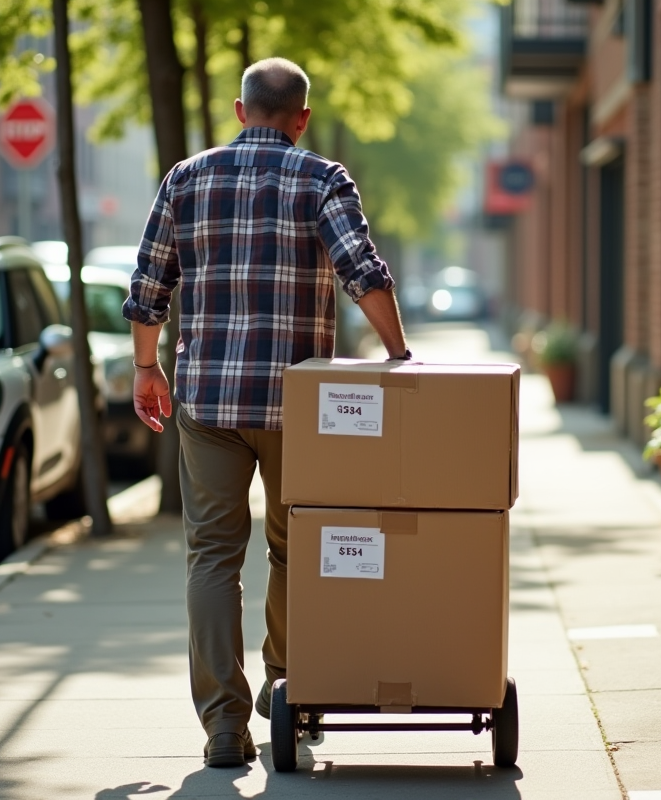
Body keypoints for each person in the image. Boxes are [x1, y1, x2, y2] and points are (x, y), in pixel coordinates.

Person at [122, 56, 410, 768]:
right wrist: (402, 356)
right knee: (297, 547)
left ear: (240, 109)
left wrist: (145, 366)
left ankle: (223, 724)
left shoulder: (185, 179)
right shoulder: (322, 178)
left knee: (213, 557)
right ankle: (288, 689)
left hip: (210, 401)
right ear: (302, 117)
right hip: (298, 407)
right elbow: (361, 271)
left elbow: (148, 284)